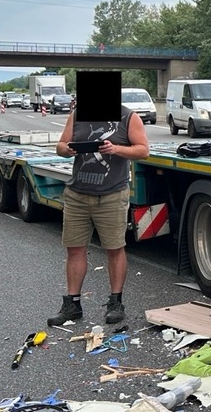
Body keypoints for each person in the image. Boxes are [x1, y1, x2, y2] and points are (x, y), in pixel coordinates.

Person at [46, 104, 150, 326]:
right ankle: (72, 305)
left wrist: (116, 149)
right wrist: (67, 149)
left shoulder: (128, 117)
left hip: (111, 195)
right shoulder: (77, 115)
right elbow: (60, 146)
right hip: (77, 194)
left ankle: (115, 302)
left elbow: (143, 150)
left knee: (114, 248)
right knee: (74, 248)